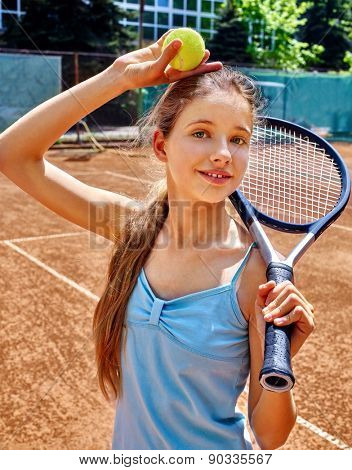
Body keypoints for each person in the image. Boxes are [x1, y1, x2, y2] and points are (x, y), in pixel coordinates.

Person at [0, 30, 315, 450]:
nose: (223, 152)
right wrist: (117, 77)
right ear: (162, 145)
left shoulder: (255, 270)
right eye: (201, 133)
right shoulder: (135, 227)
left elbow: (270, 435)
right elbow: (13, 155)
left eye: (238, 139)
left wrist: (282, 360)